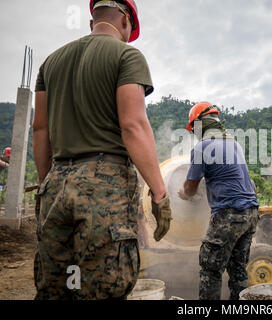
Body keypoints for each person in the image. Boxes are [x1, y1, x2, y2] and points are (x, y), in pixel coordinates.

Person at [32, 0, 171, 300]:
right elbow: (133, 126)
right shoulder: (127, 55)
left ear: (92, 21)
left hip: (55, 184)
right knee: (103, 289)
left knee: (55, 288)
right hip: (104, 186)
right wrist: (159, 194)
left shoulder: (50, 63)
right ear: (125, 21)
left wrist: (47, 184)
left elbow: (40, 130)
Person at [178, 102, 259, 300]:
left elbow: (190, 189)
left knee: (210, 270)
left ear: (200, 124)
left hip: (228, 214)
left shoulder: (202, 147)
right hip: (250, 213)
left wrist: (183, 194)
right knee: (238, 270)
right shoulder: (234, 144)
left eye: (194, 128)